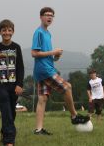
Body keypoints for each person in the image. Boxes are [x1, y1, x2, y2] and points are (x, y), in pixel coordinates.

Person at [31, 7, 89, 135]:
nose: (49, 17)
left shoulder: (48, 33)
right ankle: (74, 116)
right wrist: (53, 52)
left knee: (42, 99)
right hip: (44, 70)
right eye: (46, 15)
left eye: (51, 15)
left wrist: (55, 57)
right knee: (67, 87)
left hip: (45, 68)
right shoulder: (39, 32)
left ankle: (38, 129)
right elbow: (34, 53)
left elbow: (45, 54)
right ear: (41, 17)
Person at [0, 19, 24, 146]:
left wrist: (19, 84)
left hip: (14, 86)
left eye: (9, 30)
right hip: (0, 85)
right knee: (6, 110)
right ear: (0, 32)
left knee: (11, 112)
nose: (6, 32)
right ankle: (9, 139)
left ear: (13, 32)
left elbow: (20, 67)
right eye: (4, 30)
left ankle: (4, 132)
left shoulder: (17, 47)